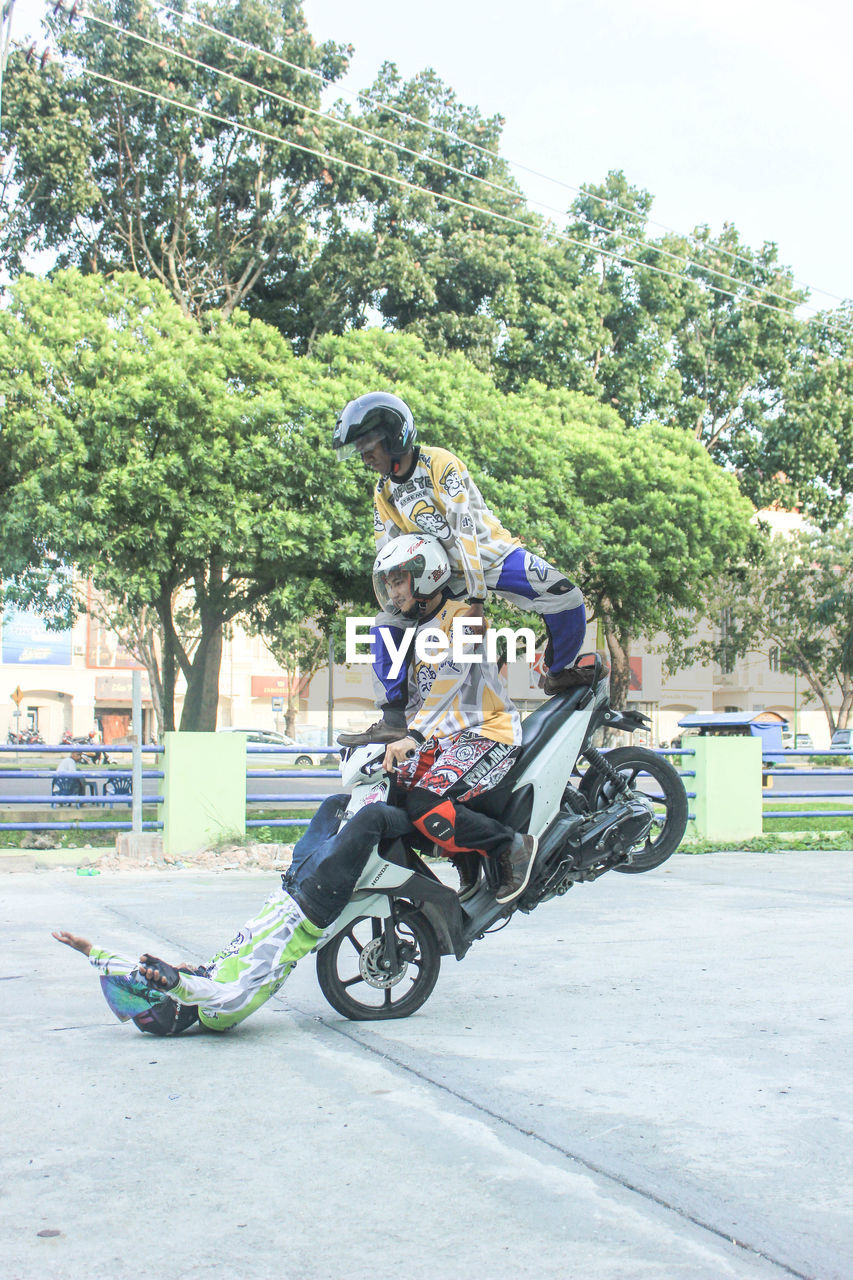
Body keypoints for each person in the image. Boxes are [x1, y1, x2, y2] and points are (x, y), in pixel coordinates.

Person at [333, 391, 589, 748]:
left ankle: (558, 672)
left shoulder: (440, 463)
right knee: (388, 624)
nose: (364, 457)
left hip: (487, 556)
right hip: (439, 572)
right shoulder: (384, 491)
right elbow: (387, 549)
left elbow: (463, 529)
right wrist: (394, 604)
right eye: (359, 449)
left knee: (566, 596)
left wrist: (477, 598)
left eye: (368, 446)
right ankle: (394, 719)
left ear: (393, 437)